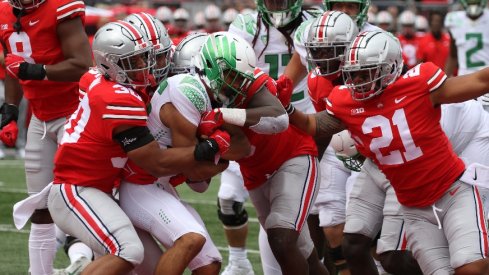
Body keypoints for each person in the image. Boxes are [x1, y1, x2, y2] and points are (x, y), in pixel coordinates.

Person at [286, 30, 489, 274]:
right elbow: (313, 125)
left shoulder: (419, 86)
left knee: (471, 269)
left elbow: (479, 82)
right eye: (353, 74)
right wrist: (287, 108)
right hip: (414, 208)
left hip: (453, 191)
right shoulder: (346, 102)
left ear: (390, 68)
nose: (358, 81)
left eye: (366, 72)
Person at [45, 21, 231, 275]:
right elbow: (157, 162)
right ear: (110, 63)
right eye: (137, 61)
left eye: (147, 57)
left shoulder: (118, 86)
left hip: (102, 190)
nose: (148, 66)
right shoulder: (120, 98)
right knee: (128, 251)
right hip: (80, 189)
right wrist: (208, 147)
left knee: (156, 262)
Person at [196, 31, 329, 275]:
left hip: (293, 157)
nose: (238, 83)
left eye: (240, 76)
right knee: (302, 252)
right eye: (231, 76)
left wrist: (224, 116)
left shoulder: (253, 80)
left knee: (281, 237)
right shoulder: (197, 94)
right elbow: (208, 175)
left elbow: (278, 119)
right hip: (256, 173)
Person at [117, 17, 231, 275]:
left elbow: (198, 184)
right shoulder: (182, 88)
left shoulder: (175, 89)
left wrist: (214, 151)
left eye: (160, 58)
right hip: (136, 183)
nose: (155, 67)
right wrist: (220, 151)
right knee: (190, 239)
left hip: (156, 184)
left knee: (209, 262)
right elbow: (195, 174)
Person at [223, 2, 319, 273]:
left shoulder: (313, 22)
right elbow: (232, 66)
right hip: (258, 121)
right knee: (234, 201)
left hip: (302, 119)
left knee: (311, 214)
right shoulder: (246, 25)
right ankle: (239, 262)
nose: (278, 5)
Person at [0, 0, 93, 274]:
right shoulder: (5, 12)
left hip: (74, 114)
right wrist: (11, 109)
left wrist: (36, 70)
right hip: (40, 118)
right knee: (39, 207)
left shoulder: (61, 7)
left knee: (76, 197)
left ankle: (86, 260)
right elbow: (13, 65)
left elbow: (82, 65)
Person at [445, 0, 489, 109]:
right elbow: (453, 54)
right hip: (464, 80)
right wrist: (444, 81)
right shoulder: (454, 19)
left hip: (485, 78)